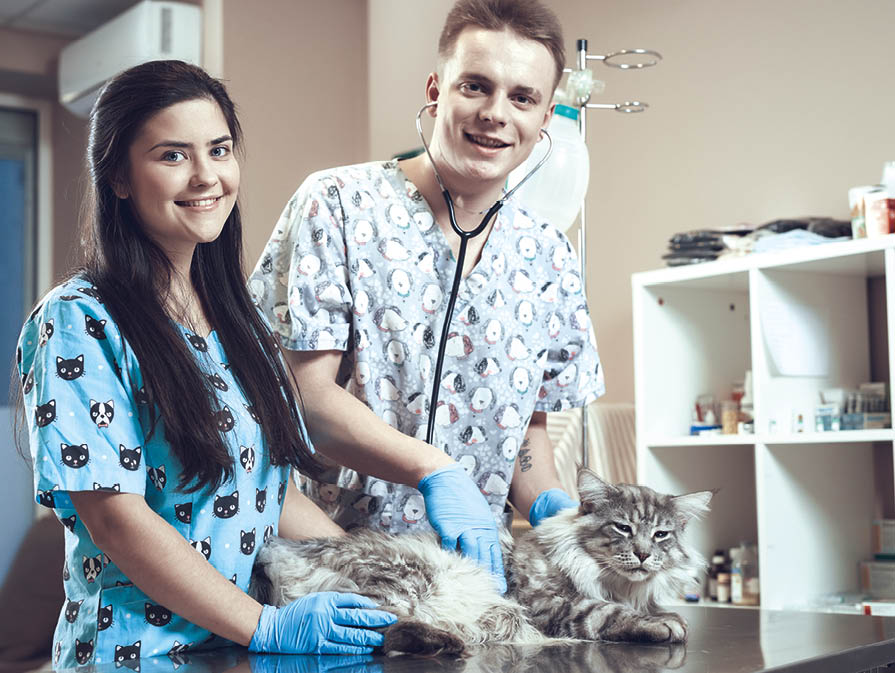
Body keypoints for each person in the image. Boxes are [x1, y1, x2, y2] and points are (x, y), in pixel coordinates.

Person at [15, 60, 395, 670]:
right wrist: (266, 625)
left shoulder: (238, 321)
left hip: (238, 655)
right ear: (118, 176)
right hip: (136, 658)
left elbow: (270, 492)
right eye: (172, 156)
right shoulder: (78, 321)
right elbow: (115, 519)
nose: (206, 176)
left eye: (219, 149)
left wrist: (380, 580)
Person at [249, 0, 604, 588]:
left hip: (468, 584)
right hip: (331, 567)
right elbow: (304, 397)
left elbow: (525, 432)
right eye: (476, 86)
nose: (495, 114)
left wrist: (552, 511)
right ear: (436, 90)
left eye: (522, 98)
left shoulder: (548, 254)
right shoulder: (338, 203)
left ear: (544, 120)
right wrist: (435, 470)